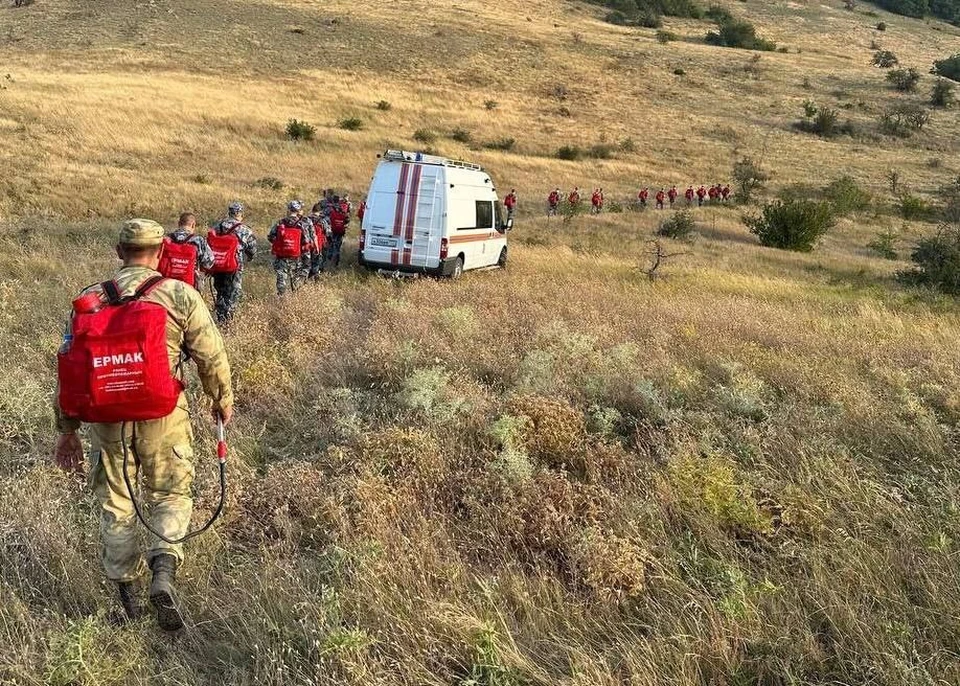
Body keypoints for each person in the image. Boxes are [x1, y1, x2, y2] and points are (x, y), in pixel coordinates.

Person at [54, 218, 234, 632]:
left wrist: (67, 431)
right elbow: (211, 355)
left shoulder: (89, 298)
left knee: (116, 503)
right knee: (171, 491)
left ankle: (127, 600)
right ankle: (164, 575)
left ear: (119, 252)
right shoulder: (177, 294)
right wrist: (222, 401)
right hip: (164, 415)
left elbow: (67, 369)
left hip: (106, 422)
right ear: (160, 254)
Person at [208, 202, 257, 326]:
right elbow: (252, 249)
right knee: (234, 292)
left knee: (220, 291)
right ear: (241, 214)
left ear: (229, 212)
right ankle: (229, 320)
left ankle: (220, 317)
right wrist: (249, 257)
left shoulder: (218, 226)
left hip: (218, 264)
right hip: (235, 265)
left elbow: (209, 241)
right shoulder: (245, 230)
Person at [158, 213, 214, 290]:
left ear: (179, 224)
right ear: (193, 225)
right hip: (191, 286)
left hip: (167, 285)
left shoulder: (166, 239)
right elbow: (209, 263)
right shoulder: (198, 240)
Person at [268, 201, 313, 295]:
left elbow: (270, 237)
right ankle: (295, 298)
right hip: (296, 258)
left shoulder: (280, 223)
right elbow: (306, 242)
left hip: (281, 257)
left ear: (289, 209)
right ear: (298, 211)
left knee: (281, 280)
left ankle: (281, 299)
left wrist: (281, 243)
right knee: (296, 281)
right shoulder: (301, 224)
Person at [326, 196, 349, 270]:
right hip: (340, 231)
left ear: (333, 200)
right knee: (338, 246)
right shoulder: (342, 208)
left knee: (330, 244)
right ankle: (336, 262)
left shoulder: (329, 208)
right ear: (339, 200)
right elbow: (346, 219)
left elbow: (325, 218)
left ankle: (329, 258)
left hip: (332, 230)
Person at [307, 202, 328, 280]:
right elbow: (328, 232)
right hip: (318, 245)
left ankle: (306, 277)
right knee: (316, 263)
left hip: (307, 244)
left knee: (307, 262)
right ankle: (315, 278)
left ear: (312, 210)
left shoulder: (306, 219)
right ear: (320, 211)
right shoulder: (322, 221)